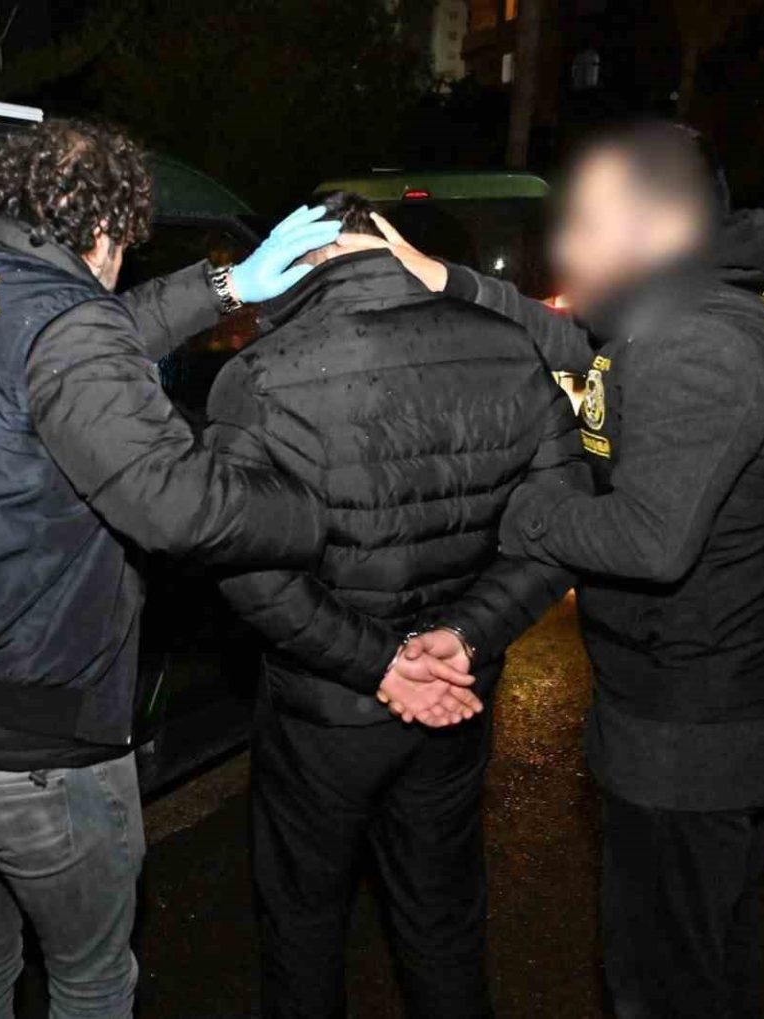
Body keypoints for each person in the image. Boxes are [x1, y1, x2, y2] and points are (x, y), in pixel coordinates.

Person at [0, 120, 342, 1019]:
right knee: (92, 979)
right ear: (106, 232)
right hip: (32, 751)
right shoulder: (67, 326)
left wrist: (226, 285)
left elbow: (62, 340)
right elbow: (176, 504)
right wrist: (318, 506)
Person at [359, 120, 764, 1017]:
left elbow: (649, 539)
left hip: (696, 732)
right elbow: (587, 354)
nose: (569, 246)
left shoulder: (696, 341)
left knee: (660, 985)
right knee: (708, 958)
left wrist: (518, 505)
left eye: (589, 223)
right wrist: (448, 281)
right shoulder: (707, 300)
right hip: (727, 705)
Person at [206, 191, 590, 1019]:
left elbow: (248, 571)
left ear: (303, 254)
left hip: (323, 710)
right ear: (388, 242)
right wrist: (465, 635)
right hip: (455, 694)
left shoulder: (259, 375)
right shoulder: (512, 346)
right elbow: (555, 533)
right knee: (442, 915)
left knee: (304, 921)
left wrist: (380, 662)